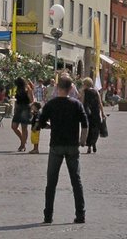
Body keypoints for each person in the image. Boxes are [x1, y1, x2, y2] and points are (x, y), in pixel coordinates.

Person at [36, 74, 88, 224]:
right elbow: (85, 123)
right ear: (71, 88)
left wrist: (48, 125)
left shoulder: (51, 104)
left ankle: (48, 215)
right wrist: (82, 141)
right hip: (72, 146)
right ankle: (80, 214)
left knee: (51, 182)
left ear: (58, 87)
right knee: (76, 181)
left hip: (56, 145)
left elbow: (40, 123)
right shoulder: (76, 104)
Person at [81, 77, 104, 154]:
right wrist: (102, 113)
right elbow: (100, 103)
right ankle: (93, 143)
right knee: (95, 129)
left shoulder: (84, 92)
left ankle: (89, 146)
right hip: (96, 112)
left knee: (89, 129)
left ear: (85, 84)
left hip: (87, 113)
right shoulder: (96, 91)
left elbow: (82, 102)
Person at [10, 77, 33, 152]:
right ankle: (23, 141)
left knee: (24, 127)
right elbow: (17, 100)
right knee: (14, 126)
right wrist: (15, 108)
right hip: (19, 108)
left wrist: (29, 92)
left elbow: (31, 100)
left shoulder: (27, 89)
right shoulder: (18, 89)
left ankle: (22, 145)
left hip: (25, 107)